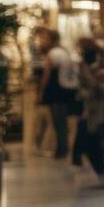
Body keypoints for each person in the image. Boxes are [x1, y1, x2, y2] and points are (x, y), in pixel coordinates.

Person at [73, 38, 104, 187]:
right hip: (92, 109)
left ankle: (101, 174)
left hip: (91, 110)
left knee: (90, 140)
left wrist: (86, 109)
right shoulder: (95, 67)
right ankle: (100, 174)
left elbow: (91, 88)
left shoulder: (88, 68)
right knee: (90, 140)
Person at [38, 29, 77, 159]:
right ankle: (63, 147)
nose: (42, 41)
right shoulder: (64, 52)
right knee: (62, 121)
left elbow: (46, 75)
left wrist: (41, 91)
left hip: (55, 90)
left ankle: (61, 149)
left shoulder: (52, 54)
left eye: (45, 39)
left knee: (57, 121)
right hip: (65, 90)